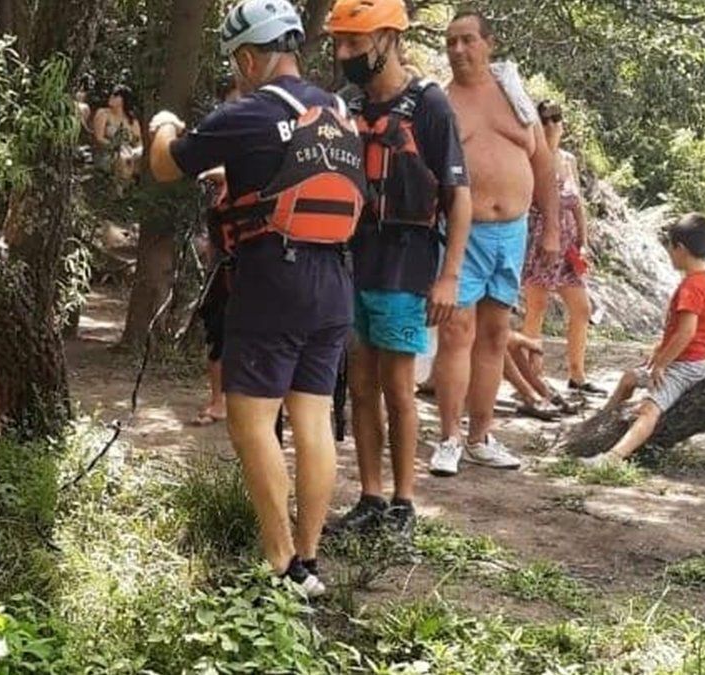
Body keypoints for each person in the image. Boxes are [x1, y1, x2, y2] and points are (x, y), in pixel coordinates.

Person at [149, 0, 365, 596]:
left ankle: (281, 563)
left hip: (273, 280)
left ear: (247, 57)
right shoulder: (339, 112)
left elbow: (166, 165)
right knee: (313, 418)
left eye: (234, 62)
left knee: (251, 422)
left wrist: (163, 123)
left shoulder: (249, 111)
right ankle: (310, 561)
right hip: (334, 279)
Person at [325, 0, 472, 536]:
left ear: (387, 38)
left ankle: (404, 502)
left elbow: (458, 196)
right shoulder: (346, 105)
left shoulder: (428, 104)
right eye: (339, 43)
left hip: (406, 264)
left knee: (398, 385)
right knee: (360, 385)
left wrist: (449, 275)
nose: (345, 53)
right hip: (352, 260)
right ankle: (370, 497)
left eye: (354, 42)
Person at [429, 9, 561, 477]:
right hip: (463, 232)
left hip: (514, 231)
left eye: (468, 40)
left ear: (490, 43)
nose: (458, 49)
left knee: (494, 334)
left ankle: (481, 437)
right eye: (451, 42)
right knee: (455, 333)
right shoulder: (442, 104)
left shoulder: (514, 96)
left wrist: (551, 230)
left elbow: (543, 165)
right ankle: (449, 437)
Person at [583, 214, 705, 467]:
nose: (669, 253)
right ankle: (600, 420)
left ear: (680, 248)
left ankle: (613, 458)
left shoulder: (691, 287)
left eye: (670, 248)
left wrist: (662, 364)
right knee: (630, 378)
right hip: (682, 358)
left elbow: (687, 332)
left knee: (648, 409)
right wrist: (659, 350)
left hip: (687, 365)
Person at [521, 100, 606, 396]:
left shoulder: (568, 159)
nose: (551, 124)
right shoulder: (531, 156)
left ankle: (577, 375)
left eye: (555, 118)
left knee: (581, 309)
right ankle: (533, 376)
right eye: (544, 119)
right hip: (540, 243)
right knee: (537, 308)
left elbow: (578, 204)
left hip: (568, 246)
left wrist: (583, 242)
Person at [191, 78, 242, 427]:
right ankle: (218, 400)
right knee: (218, 330)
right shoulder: (219, 148)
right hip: (221, 262)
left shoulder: (268, 144)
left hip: (256, 264)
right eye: (229, 104)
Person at [92, 84, 143, 191]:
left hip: (129, 152)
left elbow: (138, 142)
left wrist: (134, 152)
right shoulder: (103, 113)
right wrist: (117, 147)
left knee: (138, 157)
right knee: (122, 158)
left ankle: (134, 188)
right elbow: (99, 138)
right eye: (111, 94)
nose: (111, 96)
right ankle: (122, 190)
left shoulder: (132, 121)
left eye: (115, 95)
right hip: (107, 151)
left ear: (124, 99)